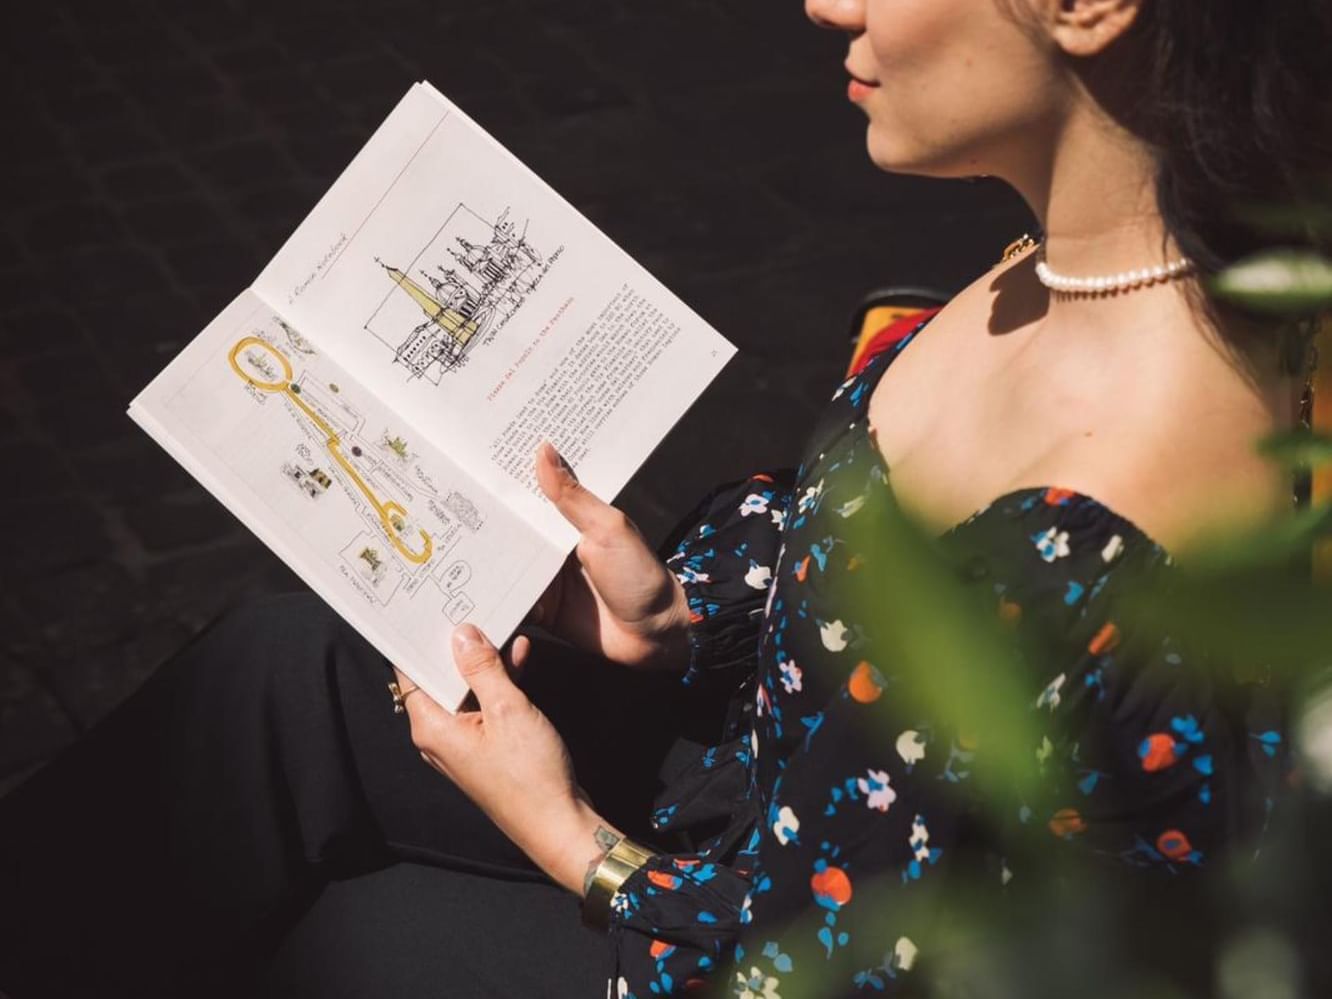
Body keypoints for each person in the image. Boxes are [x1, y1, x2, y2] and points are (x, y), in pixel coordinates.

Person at [1, 0, 1327, 996]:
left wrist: (577, 842)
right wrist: (680, 625)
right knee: (282, 665)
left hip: (776, 940)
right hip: (766, 810)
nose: (827, 4)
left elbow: (878, 961)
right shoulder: (1073, 261)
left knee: (338, 944)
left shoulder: (1117, 500)